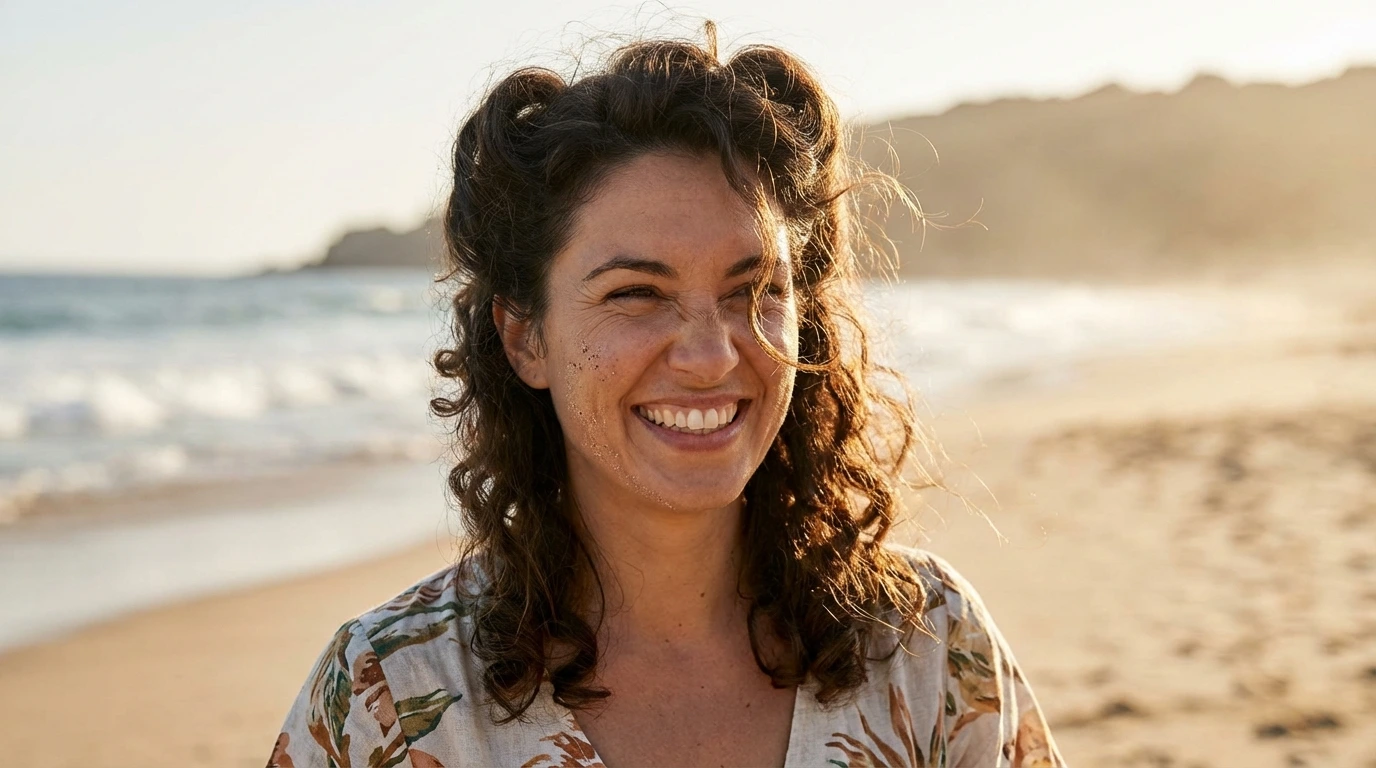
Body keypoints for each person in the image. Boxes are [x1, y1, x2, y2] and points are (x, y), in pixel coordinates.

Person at [267, 25, 1064, 768]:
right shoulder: (389, 695)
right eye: (637, 294)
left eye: (755, 289)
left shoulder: (926, 644)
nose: (712, 355)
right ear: (525, 338)